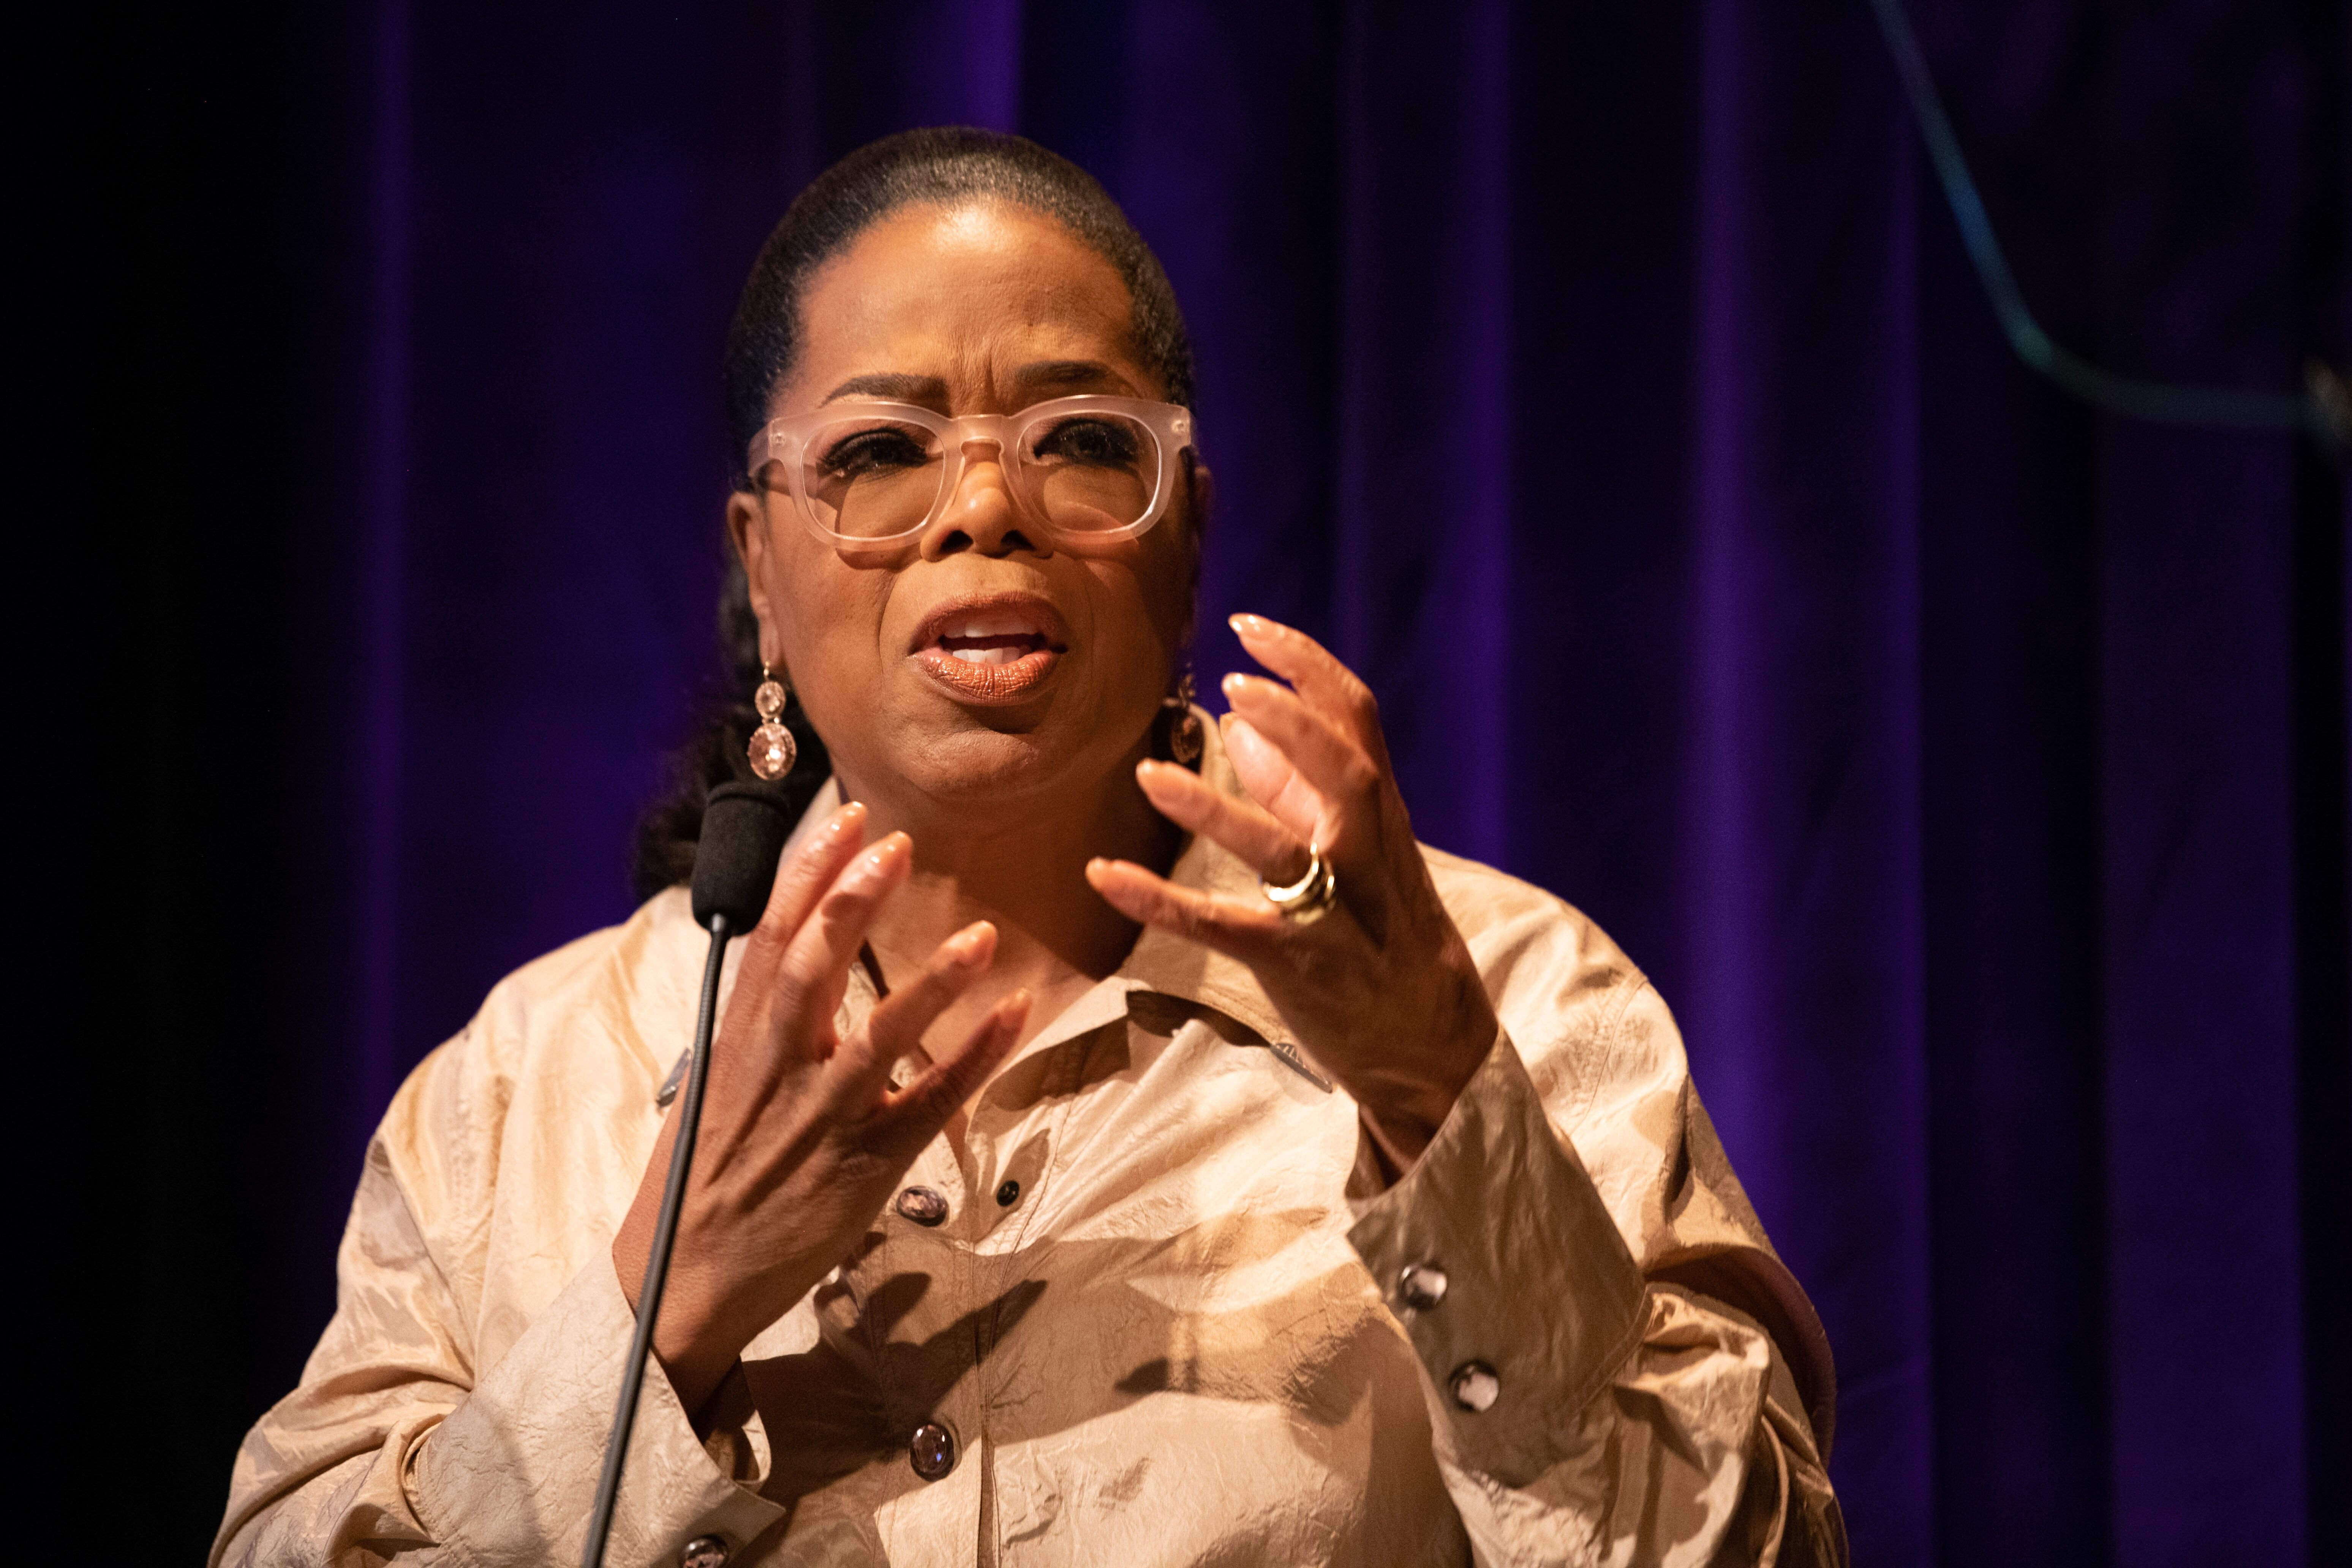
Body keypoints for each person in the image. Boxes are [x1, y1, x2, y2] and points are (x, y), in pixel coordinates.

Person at [215, 127, 1847, 1567]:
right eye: (879, 453)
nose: (985, 505)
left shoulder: (1517, 1003)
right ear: (763, 570)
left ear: (1188, 529)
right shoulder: (525, 1090)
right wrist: (668, 1305)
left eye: (1078, 439)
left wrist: (1439, 1109)